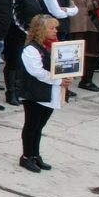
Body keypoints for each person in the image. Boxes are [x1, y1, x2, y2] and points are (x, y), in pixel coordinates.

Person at [19, 14, 66, 173]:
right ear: (41, 30)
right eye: (51, 28)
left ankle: (35, 154)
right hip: (34, 93)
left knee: (40, 126)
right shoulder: (31, 49)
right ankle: (26, 156)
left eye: (55, 27)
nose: (55, 31)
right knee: (32, 126)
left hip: (49, 92)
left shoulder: (54, 45)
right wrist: (59, 81)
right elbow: (37, 72)